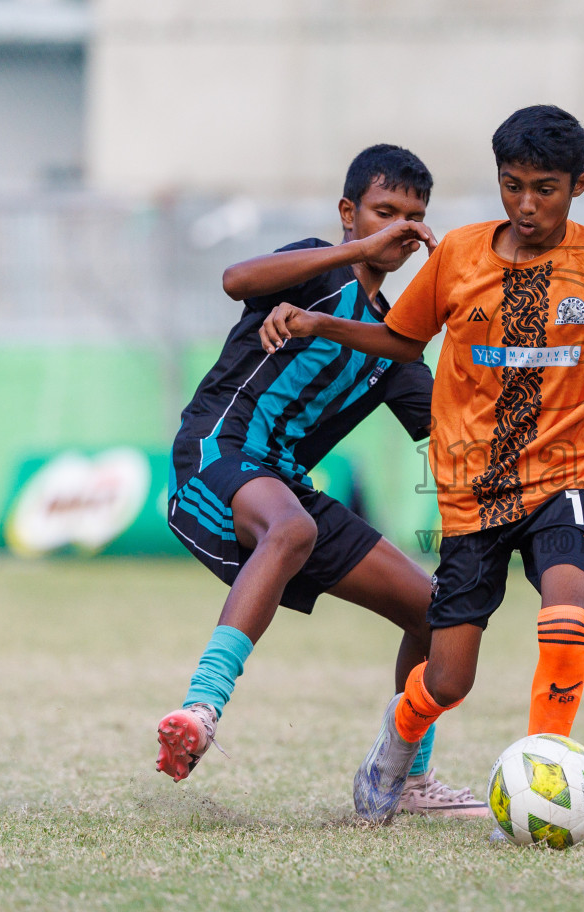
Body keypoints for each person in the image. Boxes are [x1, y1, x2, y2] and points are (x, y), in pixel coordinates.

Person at [259, 105, 584, 823]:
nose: (526, 205)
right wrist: (321, 321)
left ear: (578, 184)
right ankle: (398, 739)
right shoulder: (457, 256)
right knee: (449, 681)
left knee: (567, 606)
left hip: (570, 479)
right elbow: (400, 341)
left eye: (544, 188)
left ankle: (547, 766)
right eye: (512, 185)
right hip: (472, 496)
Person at [155, 145, 482, 817]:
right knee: (292, 526)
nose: (398, 228)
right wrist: (350, 252)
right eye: (383, 212)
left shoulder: (392, 349)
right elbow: (235, 277)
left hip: (282, 482)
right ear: (348, 213)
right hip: (218, 448)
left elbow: (460, 442)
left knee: (433, 609)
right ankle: (201, 708)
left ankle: (407, 777)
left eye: (412, 218)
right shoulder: (311, 271)